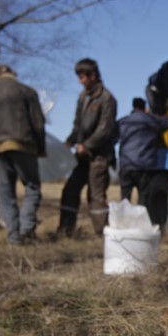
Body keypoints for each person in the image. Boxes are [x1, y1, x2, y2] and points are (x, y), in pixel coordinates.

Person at [0, 64, 46, 246]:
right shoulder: (26, 91)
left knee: (5, 192)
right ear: (13, 75)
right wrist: (41, 147)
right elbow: (38, 123)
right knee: (32, 187)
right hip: (23, 143)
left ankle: (13, 236)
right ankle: (26, 229)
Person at [54, 58, 117, 238]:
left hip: (99, 156)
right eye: (79, 77)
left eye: (82, 77)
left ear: (93, 75)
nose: (80, 81)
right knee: (70, 190)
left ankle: (103, 234)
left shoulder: (107, 99)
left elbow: (105, 129)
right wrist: (70, 140)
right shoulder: (83, 97)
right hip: (81, 157)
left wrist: (87, 145)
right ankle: (65, 230)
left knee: (95, 197)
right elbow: (78, 125)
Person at [117, 97, 168, 226]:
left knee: (125, 199)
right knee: (143, 199)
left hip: (125, 165)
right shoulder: (149, 120)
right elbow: (167, 123)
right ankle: (140, 228)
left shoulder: (123, 122)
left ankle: (122, 226)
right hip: (143, 166)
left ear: (133, 107)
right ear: (144, 107)